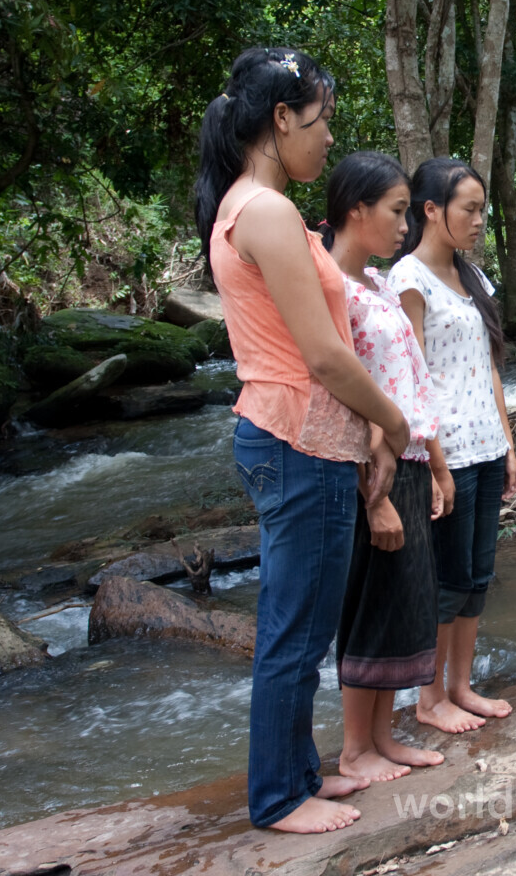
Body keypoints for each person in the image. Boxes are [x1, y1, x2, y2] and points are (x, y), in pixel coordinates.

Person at [195, 47, 411, 833]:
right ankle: (278, 797)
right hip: (298, 440)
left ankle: (298, 772)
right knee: (294, 628)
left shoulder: (246, 206)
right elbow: (321, 354)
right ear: (280, 120)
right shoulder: (267, 211)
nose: (328, 141)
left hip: (297, 437)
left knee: (306, 623)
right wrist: (393, 419)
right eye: (319, 124)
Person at [323, 151, 450, 782]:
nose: (405, 225)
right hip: (373, 464)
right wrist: (376, 491)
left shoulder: (375, 282)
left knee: (405, 600)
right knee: (373, 601)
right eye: (396, 211)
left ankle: (383, 736)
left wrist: (435, 462)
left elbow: (412, 378)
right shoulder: (332, 289)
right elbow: (349, 383)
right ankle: (354, 748)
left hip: (410, 456)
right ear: (355, 209)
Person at [390, 158, 516, 733]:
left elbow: (488, 366)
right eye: (469, 210)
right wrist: (436, 463)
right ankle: (428, 699)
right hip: (445, 455)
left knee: (477, 575)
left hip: (487, 446)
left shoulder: (473, 278)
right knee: (445, 582)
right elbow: (411, 379)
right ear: (431, 211)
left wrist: (510, 444)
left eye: (482, 210)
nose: (478, 221)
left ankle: (461, 687)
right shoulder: (408, 280)